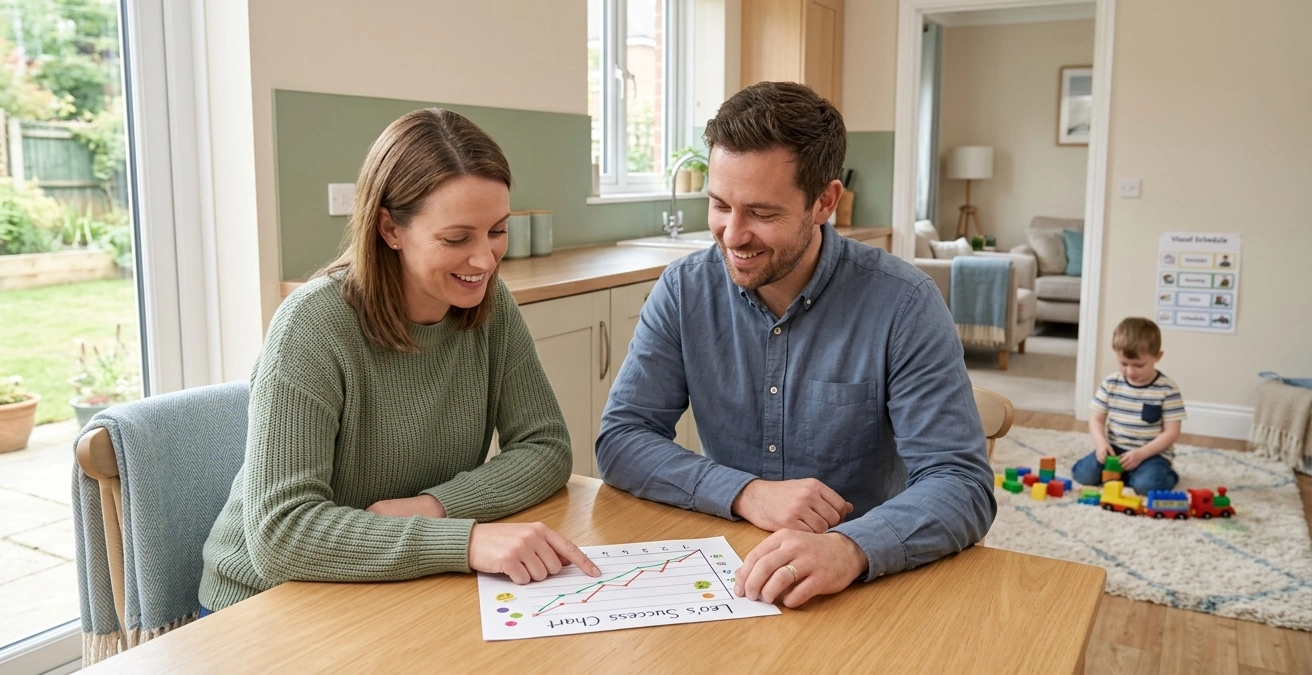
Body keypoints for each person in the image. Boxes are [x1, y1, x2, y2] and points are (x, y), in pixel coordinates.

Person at [595, 82, 996, 609]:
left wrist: (848, 546)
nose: (732, 235)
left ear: (823, 202)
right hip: (733, 569)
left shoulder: (904, 303)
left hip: (867, 582)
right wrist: (746, 493)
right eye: (719, 205)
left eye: (761, 213)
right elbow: (622, 438)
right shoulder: (684, 289)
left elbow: (961, 482)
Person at [199, 109, 599, 613]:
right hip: (265, 606)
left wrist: (436, 508)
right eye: (457, 239)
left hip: (395, 585)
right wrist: (466, 541)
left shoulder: (490, 307)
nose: (485, 260)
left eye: (497, 231)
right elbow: (281, 535)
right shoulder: (312, 325)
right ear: (390, 228)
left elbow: (546, 448)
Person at [1071, 317, 1185, 494]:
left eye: (1138, 365)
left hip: (1150, 454)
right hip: (1114, 449)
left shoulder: (1167, 389)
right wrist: (1101, 444)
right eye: (1124, 364)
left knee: (1147, 486)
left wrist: (1140, 455)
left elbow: (1172, 432)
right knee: (1083, 475)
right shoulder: (1111, 383)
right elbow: (1097, 419)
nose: (1130, 371)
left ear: (1157, 356)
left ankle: (1165, 475)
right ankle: (1125, 475)